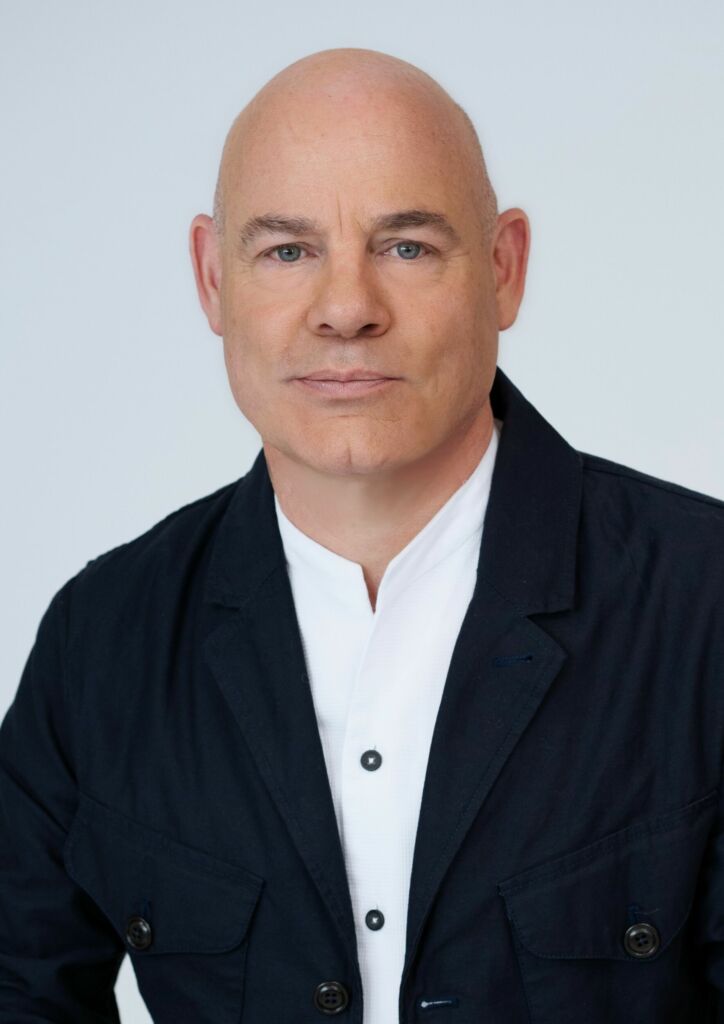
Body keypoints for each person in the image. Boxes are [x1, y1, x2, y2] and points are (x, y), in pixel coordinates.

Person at [1, 45, 723, 1024]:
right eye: (286, 251)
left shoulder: (702, 606)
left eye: (406, 247)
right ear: (212, 279)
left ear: (503, 270)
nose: (346, 310)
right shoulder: (104, 639)